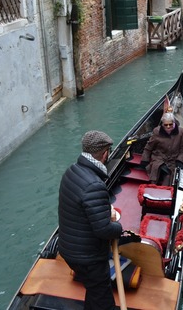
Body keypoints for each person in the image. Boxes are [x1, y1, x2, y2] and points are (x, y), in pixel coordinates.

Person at [58, 130, 123, 309]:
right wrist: (118, 227)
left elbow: (81, 209)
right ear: (105, 154)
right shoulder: (94, 185)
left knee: (94, 291)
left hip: (67, 249)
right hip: (87, 258)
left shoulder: (71, 171)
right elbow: (103, 230)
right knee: (103, 300)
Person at [140, 112, 183, 185]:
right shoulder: (157, 131)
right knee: (155, 171)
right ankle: (152, 187)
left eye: (170, 124)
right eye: (166, 125)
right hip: (159, 157)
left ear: (173, 122)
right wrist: (144, 160)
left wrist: (179, 160)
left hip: (173, 159)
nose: (168, 127)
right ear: (162, 124)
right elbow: (149, 147)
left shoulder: (181, 132)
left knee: (169, 176)